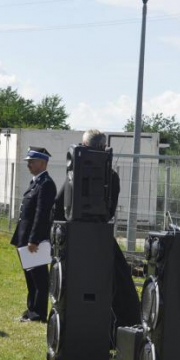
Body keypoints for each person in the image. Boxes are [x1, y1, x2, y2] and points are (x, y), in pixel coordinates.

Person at [53, 129, 141, 328]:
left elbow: (58, 207)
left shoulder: (73, 175)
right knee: (119, 283)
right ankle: (121, 327)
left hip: (74, 236)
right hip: (100, 237)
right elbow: (109, 212)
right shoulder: (112, 177)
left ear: (82, 147)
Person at [10, 146, 56, 323]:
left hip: (33, 238)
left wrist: (34, 239)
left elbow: (41, 214)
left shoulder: (46, 184)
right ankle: (31, 310)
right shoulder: (35, 181)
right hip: (25, 235)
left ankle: (38, 313)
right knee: (30, 275)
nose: (28, 164)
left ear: (43, 163)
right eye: (28, 161)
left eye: (32, 161)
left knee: (39, 278)